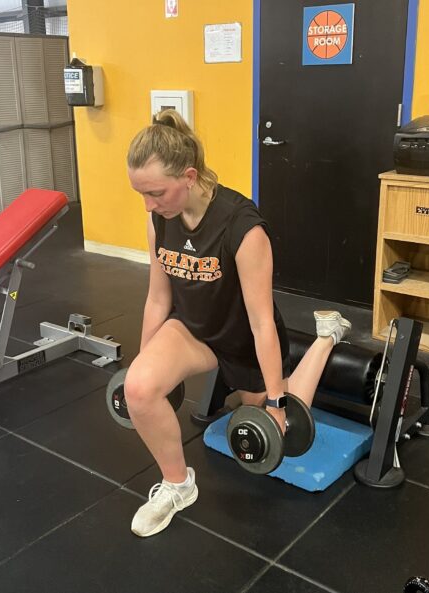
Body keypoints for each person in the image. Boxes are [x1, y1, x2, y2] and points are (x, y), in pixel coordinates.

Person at [124, 109, 351, 537]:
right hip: (192, 328)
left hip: (243, 337)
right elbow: (158, 297)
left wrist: (277, 405)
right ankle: (177, 486)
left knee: (278, 428)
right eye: (141, 193)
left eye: (156, 193)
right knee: (139, 388)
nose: (148, 205)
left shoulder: (243, 228)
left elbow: (262, 321)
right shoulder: (160, 219)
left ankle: (327, 338)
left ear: (189, 177)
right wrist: (145, 363)